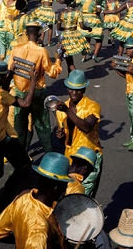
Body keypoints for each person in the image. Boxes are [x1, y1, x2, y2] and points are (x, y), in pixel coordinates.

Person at [0, 61, 37, 199]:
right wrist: (33, 81)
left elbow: (1, 87)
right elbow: (26, 103)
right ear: (1, 78)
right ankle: (9, 191)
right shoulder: (3, 96)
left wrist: (8, 75)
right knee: (24, 165)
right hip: (3, 140)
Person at [0, 152, 69, 249]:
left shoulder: (23, 197)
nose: (65, 189)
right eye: (65, 185)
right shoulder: (39, 230)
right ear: (56, 187)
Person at [8, 21, 62, 151]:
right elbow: (52, 73)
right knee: (42, 124)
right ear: (39, 34)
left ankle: (21, 154)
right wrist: (58, 59)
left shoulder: (15, 49)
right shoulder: (41, 51)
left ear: (26, 33)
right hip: (37, 92)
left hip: (20, 93)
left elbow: (10, 69)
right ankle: (48, 153)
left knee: (20, 126)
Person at [56, 69, 103, 198]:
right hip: (70, 157)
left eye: (78, 89)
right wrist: (60, 136)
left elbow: (87, 127)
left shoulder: (93, 106)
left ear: (84, 90)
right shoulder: (61, 109)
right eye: (71, 89)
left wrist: (67, 111)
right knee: (68, 195)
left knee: (84, 197)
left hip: (88, 158)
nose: (74, 93)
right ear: (67, 89)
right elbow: (66, 137)